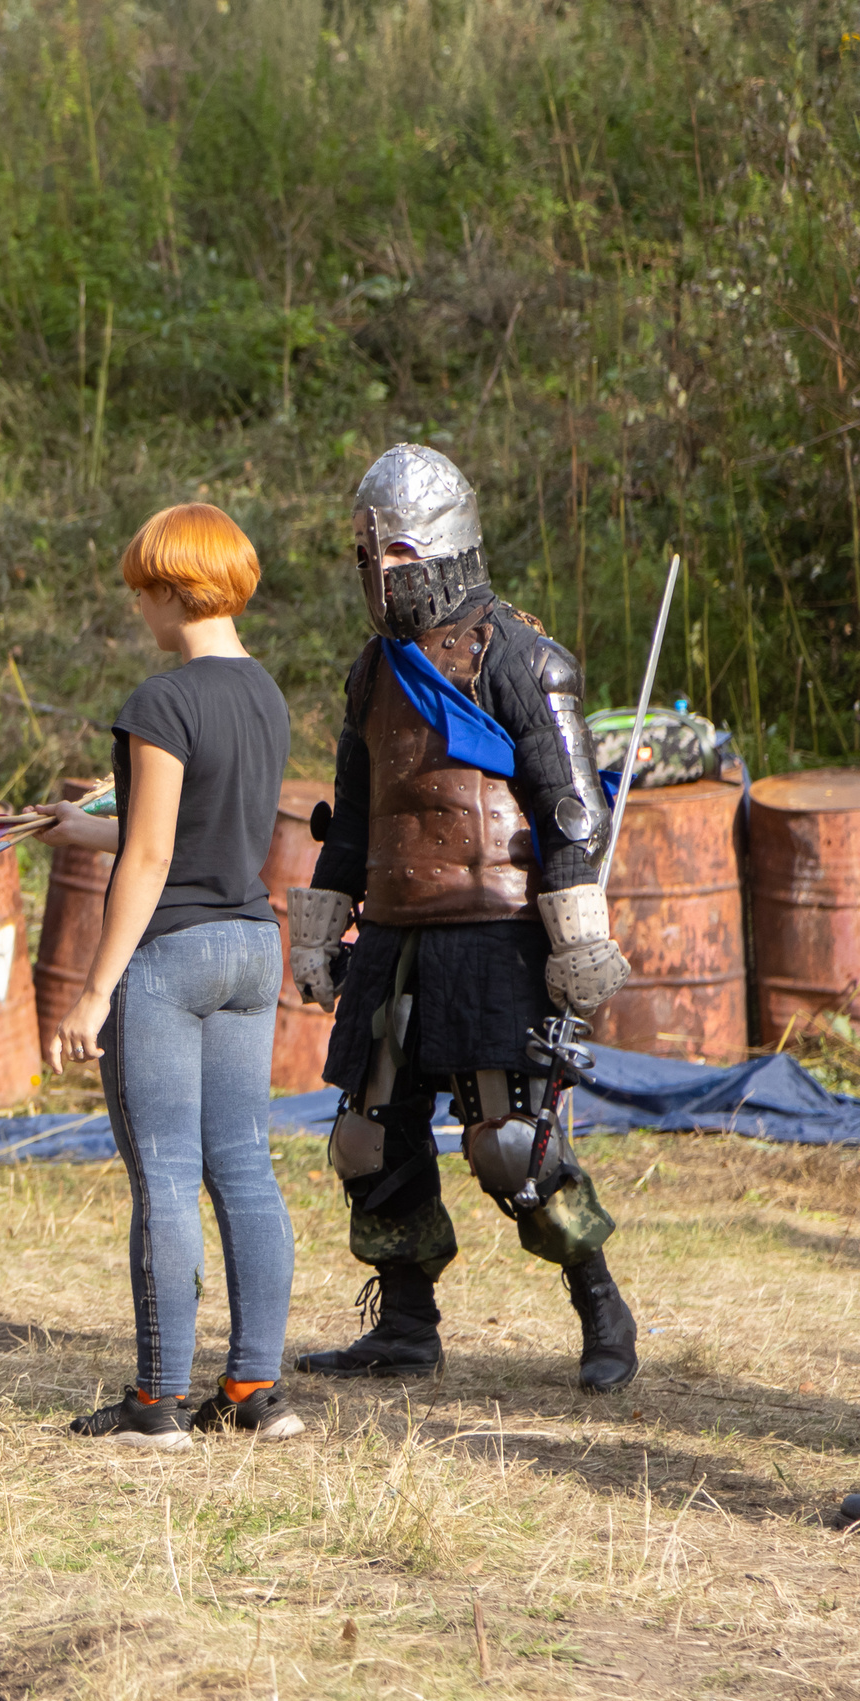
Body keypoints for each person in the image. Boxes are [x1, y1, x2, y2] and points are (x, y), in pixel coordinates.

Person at [287, 443, 639, 1394]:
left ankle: (601, 1303)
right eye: (369, 558)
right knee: (368, 1135)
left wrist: (577, 939)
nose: (381, 575)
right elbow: (354, 821)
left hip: (497, 935)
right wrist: (321, 931)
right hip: (395, 937)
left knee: (512, 1145)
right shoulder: (374, 672)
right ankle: (405, 1325)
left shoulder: (523, 656)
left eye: (395, 554)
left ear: (443, 548)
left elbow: (572, 808)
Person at [35, 504, 300, 1449]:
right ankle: (255, 1390)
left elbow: (149, 863)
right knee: (246, 1166)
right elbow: (198, 832)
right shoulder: (265, 693)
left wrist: (95, 988)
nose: (137, 609)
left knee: (168, 1175)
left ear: (169, 591)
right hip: (248, 946)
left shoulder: (162, 700)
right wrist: (80, 827)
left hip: (172, 958)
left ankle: (156, 1404)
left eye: (140, 591)